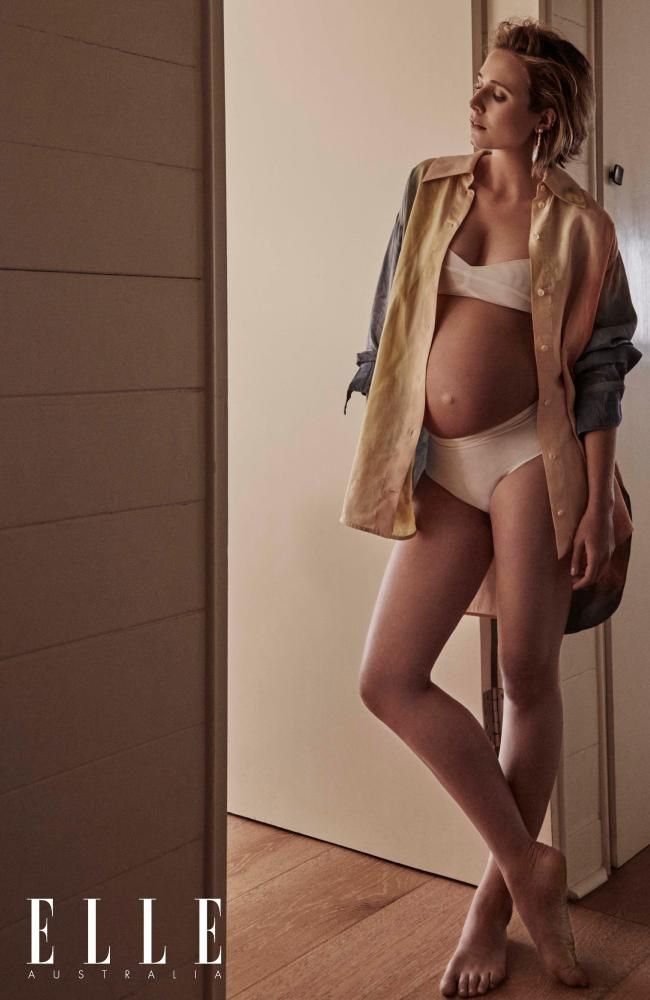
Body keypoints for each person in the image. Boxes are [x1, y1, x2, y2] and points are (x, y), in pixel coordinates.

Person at [340, 17, 642, 1000]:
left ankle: (489, 909)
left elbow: (601, 370)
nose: (474, 104)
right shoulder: (430, 187)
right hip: (439, 463)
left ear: (540, 116)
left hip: (530, 458)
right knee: (388, 677)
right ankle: (527, 863)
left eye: (497, 93)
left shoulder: (582, 228)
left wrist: (595, 502)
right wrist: (380, 414)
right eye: (478, 85)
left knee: (525, 676)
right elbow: (393, 314)